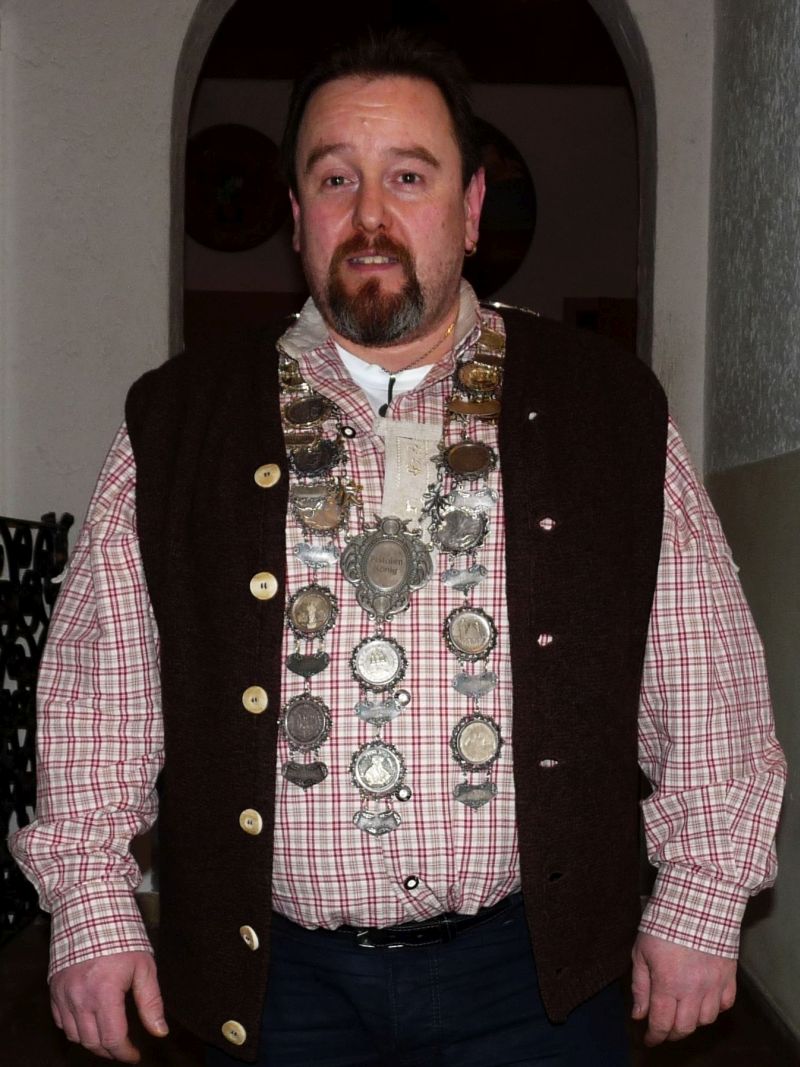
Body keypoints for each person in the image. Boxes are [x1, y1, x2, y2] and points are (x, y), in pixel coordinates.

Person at [10, 31, 786, 1067]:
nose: (370, 215)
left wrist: (701, 895)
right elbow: (98, 690)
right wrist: (90, 905)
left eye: (409, 177)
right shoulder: (177, 417)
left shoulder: (608, 406)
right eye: (336, 178)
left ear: (471, 209)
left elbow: (702, 672)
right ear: (297, 215)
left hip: (536, 980)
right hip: (271, 982)